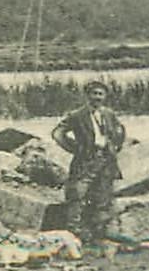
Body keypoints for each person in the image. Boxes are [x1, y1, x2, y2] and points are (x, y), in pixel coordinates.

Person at [52, 81, 126, 245]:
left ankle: (99, 231)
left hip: (106, 159)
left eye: (101, 94)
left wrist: (115, 146)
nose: (97, 97)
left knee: (103, 194)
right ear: (87, 96)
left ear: (105, 96)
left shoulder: (109, 114)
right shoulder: (77, 115)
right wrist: (75, 148)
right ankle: (74, 232)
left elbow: (120, 130)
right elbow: (58, 133)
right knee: (77, 194)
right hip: (85, 160)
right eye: (94, 93)